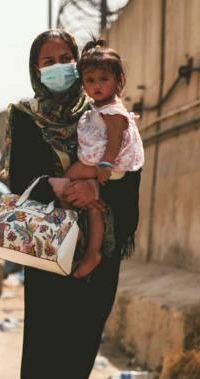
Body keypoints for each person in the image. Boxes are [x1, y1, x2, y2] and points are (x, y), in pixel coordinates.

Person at [4, 29, 141, 379]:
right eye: (49, 62)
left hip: (99, 250)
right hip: (49, 249)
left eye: (66, 59)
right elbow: (20, 178)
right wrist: (61, 186)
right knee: (43, 351)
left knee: (81, 345)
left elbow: (130, 168)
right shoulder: (25, 116)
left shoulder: (104, 111)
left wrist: (96, 186)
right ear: (36, 69)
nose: (59, 67)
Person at [63, 40, 144, 279]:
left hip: (107, 164)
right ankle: (93, 252)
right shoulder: (100, 107)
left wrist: (105, 165)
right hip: (102, 163)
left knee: (67, 179)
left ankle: (69, 221)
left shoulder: (113, 112)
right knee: (94, 207)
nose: (96, 85)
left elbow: (115, 141)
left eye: (103, 79)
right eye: (90, 80)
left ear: (118, 80)